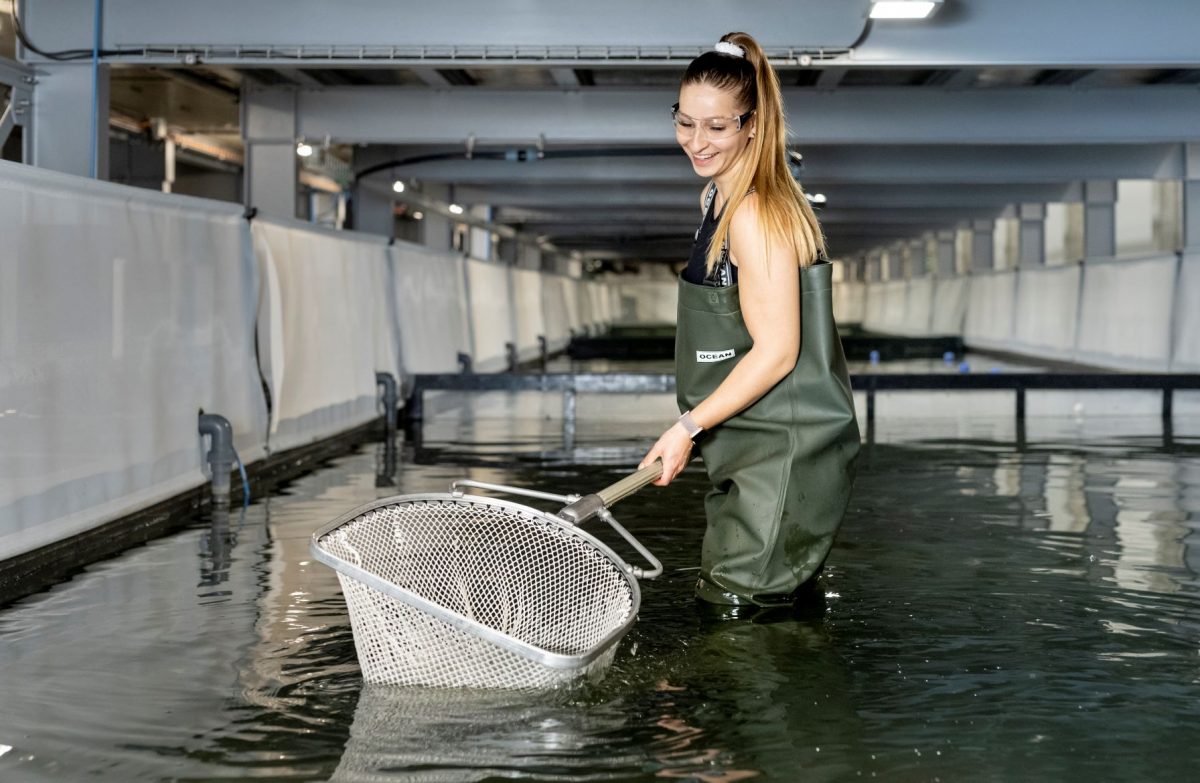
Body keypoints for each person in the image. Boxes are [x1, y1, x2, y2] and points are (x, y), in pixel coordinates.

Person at [639, 31, 860, 608]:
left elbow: (778, 351)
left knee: (741, 620)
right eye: (685, 122)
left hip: (781, 457)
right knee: (748, 609)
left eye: (717, 126)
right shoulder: (717, 200)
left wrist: (685, 429)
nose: (696, 141)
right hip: (747, 451)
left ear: (753, 124)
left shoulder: (756, 213)